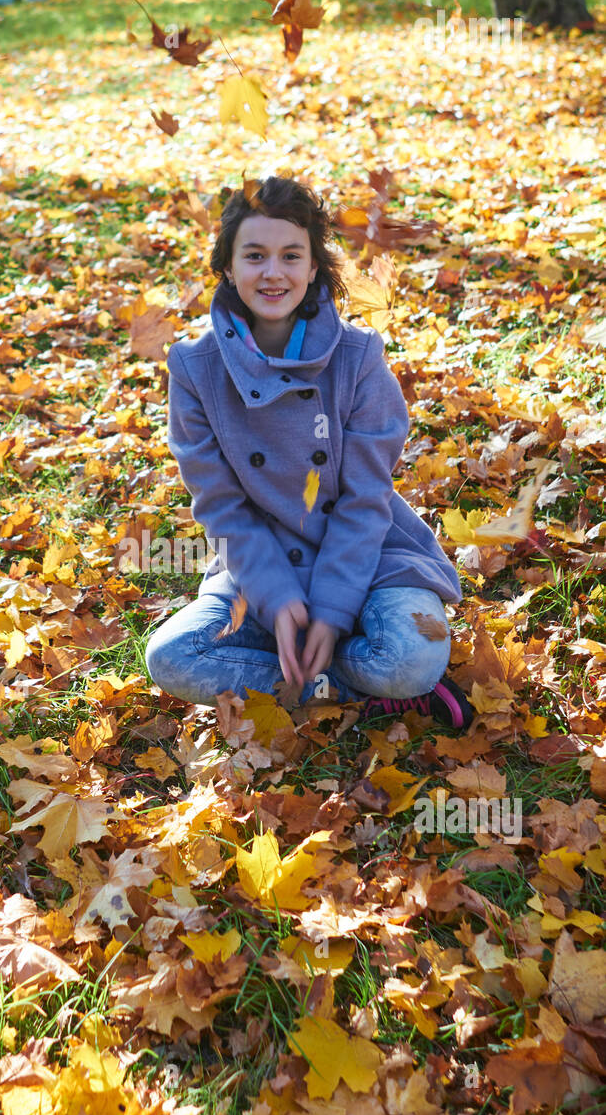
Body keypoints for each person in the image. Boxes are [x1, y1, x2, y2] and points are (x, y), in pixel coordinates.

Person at [144, 174, 473, 728]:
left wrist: (334, 607)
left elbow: (366, 497)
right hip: (257, 570)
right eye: (254, 256)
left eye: (291, 255)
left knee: (413, 656)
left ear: (314, 267)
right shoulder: (195, 369)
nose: (273, 273)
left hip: (370, 560)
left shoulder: (359, 357)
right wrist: (276, 597)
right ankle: (353, 686)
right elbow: (222, 506)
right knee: (171, 657)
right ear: (227, 266)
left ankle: (356, 676)